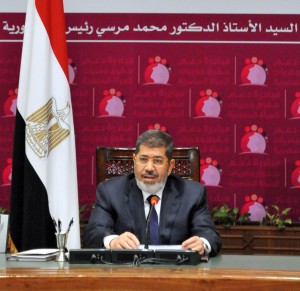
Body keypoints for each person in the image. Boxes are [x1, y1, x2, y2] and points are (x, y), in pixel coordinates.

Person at [83, 130, 221, 256]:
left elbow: (210, 235)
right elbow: (93, 232)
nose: (149, 168)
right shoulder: (111, 192)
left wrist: (202, 243)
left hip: (177, 273)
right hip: (127, 274)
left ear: (170, 166)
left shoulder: (193, 194)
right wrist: (112, 241)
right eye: (143, 159)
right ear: (134, 160)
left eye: (158, 161)